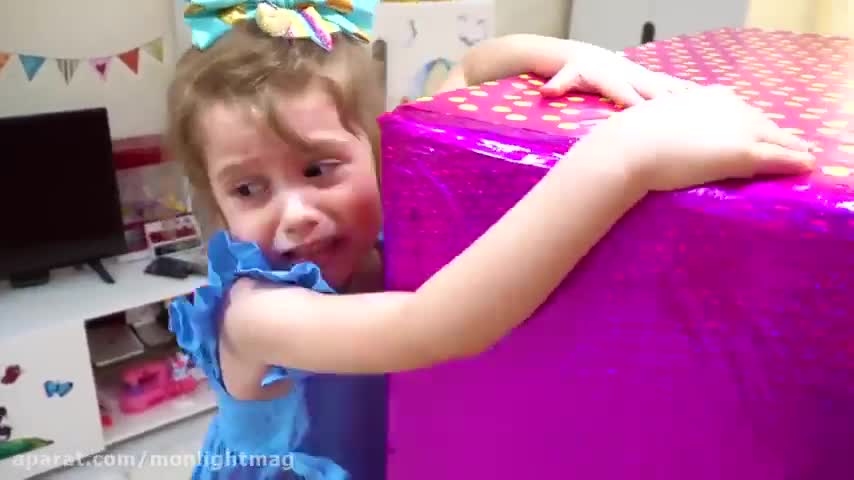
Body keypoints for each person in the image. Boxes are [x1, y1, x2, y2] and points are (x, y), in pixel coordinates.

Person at [167, 1, 816, 478]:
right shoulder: (256, 313)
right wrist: (622, 158)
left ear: (376, 147)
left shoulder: (393, 211)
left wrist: (582, 59)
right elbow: (430, 326)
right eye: (248, 189)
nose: (296, 214)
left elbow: (475, 66)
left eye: (318, 169)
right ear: (216, 202)